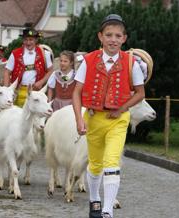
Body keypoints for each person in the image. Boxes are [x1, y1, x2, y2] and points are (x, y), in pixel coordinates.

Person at [72, 14, 145, 218]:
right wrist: (79, 118)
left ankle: (107, 211)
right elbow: (77, 91)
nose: (113, 39)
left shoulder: (131, 62)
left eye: (118, 35)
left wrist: (122, 109)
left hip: (118, 121)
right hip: (94, 118)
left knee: (112, 162)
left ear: (124, 38)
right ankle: (95, 199)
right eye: (109, 35)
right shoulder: (88, 60)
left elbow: (140, 93)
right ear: (100, 37)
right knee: (95, 164)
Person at [3, 25, 53, 107]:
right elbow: (7, 72)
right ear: (23, 40)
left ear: (36, 40)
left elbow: (50, 70)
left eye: (31, 40)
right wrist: (7, 90)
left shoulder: (45, 54)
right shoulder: (15, 53)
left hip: (36, 91)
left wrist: (41, 82)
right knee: (17, 116)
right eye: (26, 40)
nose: (28, 42)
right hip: (18, 91)